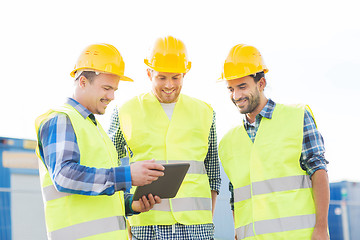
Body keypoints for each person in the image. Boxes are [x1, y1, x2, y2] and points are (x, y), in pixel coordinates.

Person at [35, 43, 165, 240]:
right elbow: (64, 176)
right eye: (106, 88)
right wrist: (128, 175)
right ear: (83, 82)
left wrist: (130, 204)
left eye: (114, 89)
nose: (111, 96)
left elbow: (100, 194)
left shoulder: (95, 129)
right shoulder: (61, 119)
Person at [108, 36, 221, 240]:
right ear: (149, 73)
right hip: (147, 227)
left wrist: (207, 221)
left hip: (197, 229)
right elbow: (110, 168)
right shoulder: (125, 111)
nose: (169, 85)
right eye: (162, 77)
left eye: (176, 77)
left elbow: (213, 173)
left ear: (185, 73)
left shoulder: (205, 112)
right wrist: (127, 213)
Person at [218, 44, 330, 240]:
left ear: (261, 83)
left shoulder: (297, 117)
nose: (236, 96)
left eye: (242, 86)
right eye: (231, 89)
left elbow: (318, 172)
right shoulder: (228, 142)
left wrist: (321, 228)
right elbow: (236, 196)